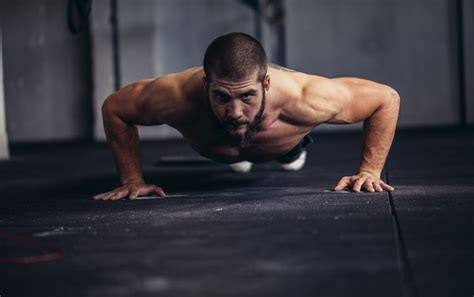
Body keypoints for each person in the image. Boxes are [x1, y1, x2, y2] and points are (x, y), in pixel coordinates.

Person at [93, 32, 399, 201]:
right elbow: (115, 109)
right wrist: (132, 179)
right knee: (234, 145)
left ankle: (291, 150)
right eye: (221, 97)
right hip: (217, 143)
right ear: (206, 85)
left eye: (247, 96)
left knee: (290, 159)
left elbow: (386, 98)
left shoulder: (305, 96)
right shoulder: (175, 96)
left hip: (283, 139)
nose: (235, 110)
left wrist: (370, 172)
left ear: (266, 84)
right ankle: (240, 150)